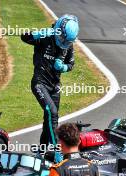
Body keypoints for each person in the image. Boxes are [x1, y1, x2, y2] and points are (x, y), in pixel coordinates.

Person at [21, 14, 79, 159]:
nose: (64, 42)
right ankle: (58, 154)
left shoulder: (68, 44)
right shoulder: (46, 36)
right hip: (40, 83)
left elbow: (71, 64)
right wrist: (37, 34)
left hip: (55, 86)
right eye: (63, 39)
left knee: (50, 120)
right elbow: (24, 37)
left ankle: (42, 151)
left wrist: (64, 67)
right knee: (52, 112)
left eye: (67, 41)